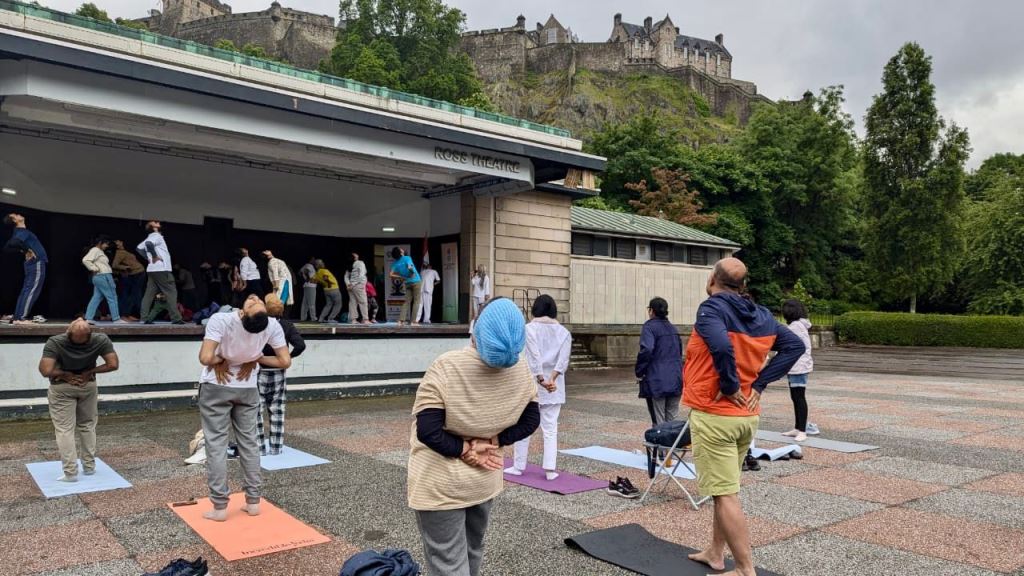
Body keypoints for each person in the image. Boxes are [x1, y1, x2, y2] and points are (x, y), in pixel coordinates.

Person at [683, 258, 805, 576]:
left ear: (712, 279)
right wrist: (759, 384)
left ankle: (744, 569)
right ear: (743, 285)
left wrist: (729, 384)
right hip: (745, 417)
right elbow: (793, 346)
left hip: (715, 416)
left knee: (724, 494)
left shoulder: (711, 309)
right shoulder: (762, 316)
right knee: (727, 488)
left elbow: (722, 347)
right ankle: (715, 552)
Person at [408, 298, 539, 576]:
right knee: (473, 551)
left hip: (441, 484)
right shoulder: (521, 370)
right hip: (484, 478)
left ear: (478, 329)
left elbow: (428, 430)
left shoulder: (447, 366)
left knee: (447, 563)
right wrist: (495, 442)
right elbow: (531, 419)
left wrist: (465, 447)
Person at [197, 293, 291, 522]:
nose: (253, 298)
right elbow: (284, 361)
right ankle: (253, 502)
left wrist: (222, 360)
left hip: (216, 387)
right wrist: (255, 358)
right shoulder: (271, 325)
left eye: (254, 303)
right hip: (247, 388)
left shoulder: (223, 319)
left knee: (216, 444)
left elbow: (205, 357)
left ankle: (219, 507)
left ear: (242, 314)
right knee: (249, 443)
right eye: (254, 301)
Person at [37, 318, 119, 481]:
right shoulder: (100, 339)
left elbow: (45, 370)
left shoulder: (56, 341)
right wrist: (90, 372)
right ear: (90, 334)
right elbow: (113, 364)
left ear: (68, 332)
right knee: (87, 426)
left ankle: (70, 473)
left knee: (64, 429)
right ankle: (89, 467)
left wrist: (65, 374)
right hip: (87, 385)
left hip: (61, 387)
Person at [506, 295, 571, 481]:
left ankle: (519, 466)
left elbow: (532, 356)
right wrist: (552, 378)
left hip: (531, 382)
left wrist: (541, 379)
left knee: (524, 424)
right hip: (554, 385)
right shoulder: (564, 332)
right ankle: (550, 469)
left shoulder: (529, 329)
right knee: (550, 428)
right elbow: (563, 360)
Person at [256, 295, 305, 455]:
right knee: (277, 410)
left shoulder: (258, 325)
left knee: (256, 410)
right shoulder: (287, 325)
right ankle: (276, 448)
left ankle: (259, 448)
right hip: (279, 371)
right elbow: (300, 345)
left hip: (259, 370)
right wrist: (288, 357)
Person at [635, 297, 682, 426]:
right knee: (672, 422)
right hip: (676, 379)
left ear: (651, 311)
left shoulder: (649, 327)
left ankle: (661, 446)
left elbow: (647, 349)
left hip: (657, 381)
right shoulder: (673, 329)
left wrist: (639, 371)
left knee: (659, 422)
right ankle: (671, 445)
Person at [4, 213, 48, 325]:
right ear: (14, 220)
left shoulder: (20, 232)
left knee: (27, 290)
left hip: (32, 263)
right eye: (16, 215)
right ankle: (20, 318)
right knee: (31, 290)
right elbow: (12, 244)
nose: (19, 214)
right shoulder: (22, 231)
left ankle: (17, 317)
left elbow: (8, 246)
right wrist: (27, 249)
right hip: (36, 262)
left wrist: (24, 250)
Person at [137, 220, 183, 324]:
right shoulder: (156, 236)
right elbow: (149, 244)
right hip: (162, 269)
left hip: (152, 269)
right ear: (154, 227)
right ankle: (176, 318)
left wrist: (148, 259)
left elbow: (139, 248)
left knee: (149, 294)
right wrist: (154, 256)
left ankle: (144, 318)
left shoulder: (150, 237)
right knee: (171, 292)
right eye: (155, 222)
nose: (158, 222)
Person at [781, 299, 814, 443]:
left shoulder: (795, 327)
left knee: (799, 398)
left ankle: (802, 430)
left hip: (799, 366)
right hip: (796, 366)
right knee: (795, 397)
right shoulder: (799, 325)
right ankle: (797, 427)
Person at [82, 236, 124, 324]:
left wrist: (95, 269)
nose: (106, 246)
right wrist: (94, 268)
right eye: (105, 244)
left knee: (96, 297)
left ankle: (89, 318)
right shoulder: (95, 250)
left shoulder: (99, 251)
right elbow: (85, 260)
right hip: (103, 275)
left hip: (100, 276)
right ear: (100, 242)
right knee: (112, 297)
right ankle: (116, 318)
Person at [112, 240, 145, 321]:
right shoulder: (119, 253)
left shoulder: (124, 251)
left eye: (119, 240)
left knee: (135, 295)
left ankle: (131, 314)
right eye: (117, 241)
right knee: (134, 295)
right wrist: (125, 268)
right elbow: (114, 265)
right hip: (136, 274)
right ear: (116, 244)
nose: (119, 241)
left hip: (139, 272)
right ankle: (127, 314)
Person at [389, 247, 421, 325]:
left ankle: (400, 320)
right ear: (400, 252)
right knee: (416, 301)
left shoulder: (395, 263)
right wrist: (410, 269)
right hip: (416, 280)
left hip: (407, 282)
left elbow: (390, 274)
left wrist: (401, 277)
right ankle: (413, 322)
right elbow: (410, 266)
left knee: (406, 302)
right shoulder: (407, 258)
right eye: (400, 249)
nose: (402, 249)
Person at [345, 252, 369, 324]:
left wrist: (348, 284)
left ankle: (353, 320)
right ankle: (365, 319)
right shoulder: (360, 263)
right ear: (354, 257)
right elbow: (361, 275)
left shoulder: (350, 265)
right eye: (355, 254)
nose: (356, 254)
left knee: (352, 303)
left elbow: (346, 277)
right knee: (363, 302)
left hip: (351, 286)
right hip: (358, 285)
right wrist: (353, 284)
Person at [299, 257, 318, 322]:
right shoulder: (310, 266)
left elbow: (299, 272)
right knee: (311, 302)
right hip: (311, 286)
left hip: (306, 286)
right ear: (310, 260)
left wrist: (304, 279)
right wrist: (308, 278)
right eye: (313, 259)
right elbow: (305, 271)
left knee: (305, 303)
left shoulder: (305, 265)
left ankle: (303, 318)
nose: (314, 260)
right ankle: (313, 318)